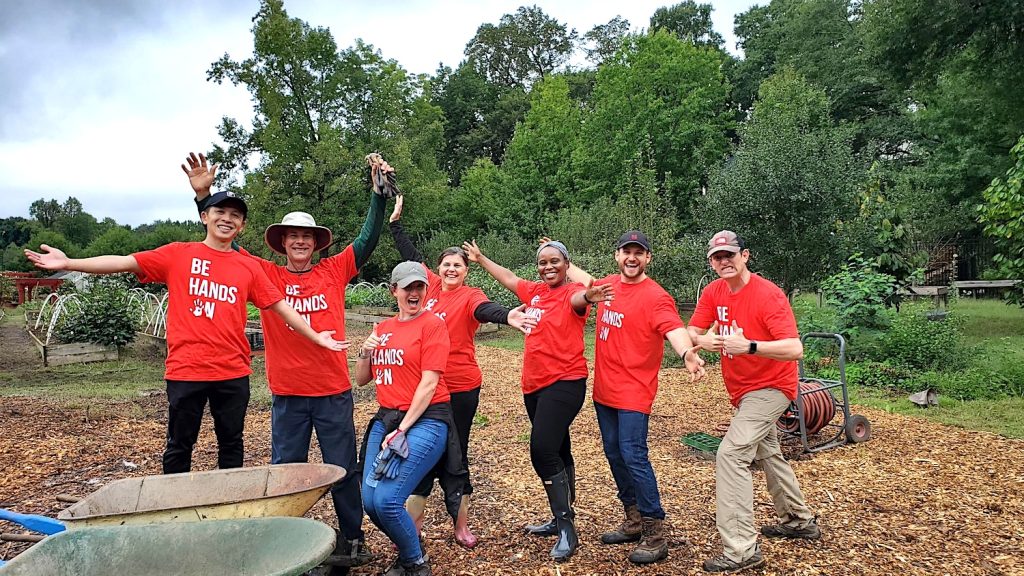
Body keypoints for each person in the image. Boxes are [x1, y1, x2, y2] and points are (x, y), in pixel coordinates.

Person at [24, 192, 348, 478]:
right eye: (220, 212)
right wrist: (70, 262)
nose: (227, 219)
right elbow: (124, 262)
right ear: (205, 216)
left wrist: (316, 336)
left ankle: (228, 510)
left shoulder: (248, 267)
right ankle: (174, 513)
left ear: (242, 226)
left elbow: (281, 305)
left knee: (232, 445)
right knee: (180, 445)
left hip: (233, 371)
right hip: (186, 369)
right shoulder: (178, 254)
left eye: (235, 215)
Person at [181, 151, 386, 568]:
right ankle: (284, 542)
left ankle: (352, 538)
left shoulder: (333, 270)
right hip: (289, 396)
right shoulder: (263, 274)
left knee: (343, 469)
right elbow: (223, 240)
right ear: (282, 242)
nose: (299, 241)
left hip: (332, 393)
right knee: (285, 474)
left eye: (306, 236)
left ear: (315, 243)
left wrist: (378, 196)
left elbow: (366, 239)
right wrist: (203, 197)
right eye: (292, 236)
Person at [388, 195, 535, 548]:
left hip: (461, 387)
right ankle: (414, 524)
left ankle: (460, 524)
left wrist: (508, 315)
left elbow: (486, 309)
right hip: (426, 388)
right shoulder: (431, 289)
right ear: (437, 270)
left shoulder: (470, 295)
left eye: (458, 265)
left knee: (456, 454)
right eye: (446, 264)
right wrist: (395, 223)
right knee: (420, 453)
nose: (451, 269)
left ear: (466, 271)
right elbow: (409, 255)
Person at [464, 238, 612, 561]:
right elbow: (507, 277)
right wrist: (481, 258)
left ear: (566, 264)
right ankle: (561, 515)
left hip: (566, 382)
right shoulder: (534, 292)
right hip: (533, 385)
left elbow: (582, 295)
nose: (548, 267)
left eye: (555, 261)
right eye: (543, 262)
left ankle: (566, 527)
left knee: (541, 450)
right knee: (559, 448)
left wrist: (589, 294)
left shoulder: (569, 296)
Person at [562, 230, 706, 565]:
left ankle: (655, 532)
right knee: (614, 453)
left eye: (638, 253)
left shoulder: (656, 297)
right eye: (626, 252)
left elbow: (674, 329)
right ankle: (634, 518)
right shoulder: (608, 287)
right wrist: (555, 252)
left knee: (634, 455)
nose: (632, 258)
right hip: (605, 391)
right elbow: (581, 276)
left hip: (634, 393)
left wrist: (687, 354)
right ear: (617, 256)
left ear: (647, 258)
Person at [687, 230, 820, 573]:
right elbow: (692, 330)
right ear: (711, 262)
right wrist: (703, 341)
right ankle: (798, 520)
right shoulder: (715, 291)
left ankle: (741, 550)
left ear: (745, 256)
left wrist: (750, 346)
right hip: (743, 392)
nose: (724, 261)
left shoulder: (768, 295)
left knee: (731, 454)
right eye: (717, 257)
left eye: (730, 254)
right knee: (768, 452)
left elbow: (795, 349)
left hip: (772, 387)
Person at [355, 261, 461, 576]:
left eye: (419, 287)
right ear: (394, 291)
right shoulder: (383, 329)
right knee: (370, 500)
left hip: (426, 419)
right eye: (407, 287)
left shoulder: (432, 325)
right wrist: (365, 350)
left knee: (387, 500)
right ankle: (410, 550)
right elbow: (362, 380)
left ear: (425, 291)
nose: (414, 293)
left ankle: (414, 563)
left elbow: (429, 384)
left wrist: (402, 430)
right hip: (386, 419)